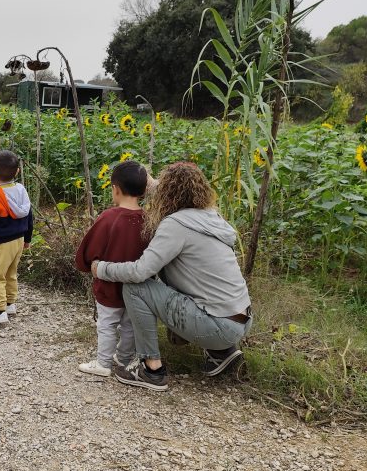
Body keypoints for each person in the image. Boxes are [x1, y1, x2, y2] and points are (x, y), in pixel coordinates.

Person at [92, 161, 252, 391]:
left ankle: (150, 368)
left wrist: (102, 269)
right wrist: (143, 179)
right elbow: (167, 187)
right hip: (240, 318)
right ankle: (222, 352)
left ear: (169, 193)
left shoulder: (176, 225)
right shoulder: (209, 217)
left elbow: (140, 272)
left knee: (136, 287)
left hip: (218, 326)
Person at [74, 161, 151, 376]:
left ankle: (103, 363)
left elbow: (89, 251)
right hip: (136, 288)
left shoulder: (109, 218)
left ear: (115, 189)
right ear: (144, 191)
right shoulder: (148, 221)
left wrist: (85, 265)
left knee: (107, 324)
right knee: (129, 325)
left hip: (109, 286)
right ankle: (124, 358)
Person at [0, 149, 33, 325]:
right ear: (17, 171)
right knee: (11, 273)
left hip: (2, 242)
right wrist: (27, 239)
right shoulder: (22, 191)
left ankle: (0, 311)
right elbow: (29, 215)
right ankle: (10, 304)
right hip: (18, 240)